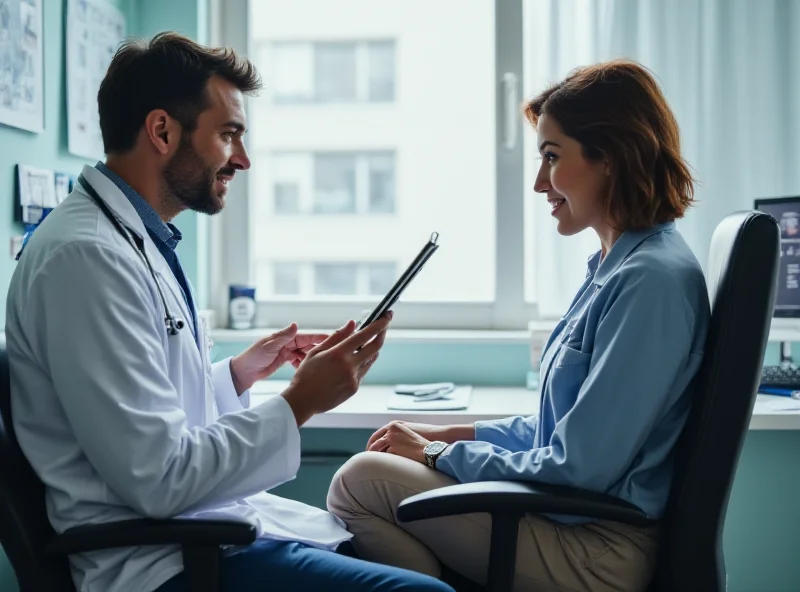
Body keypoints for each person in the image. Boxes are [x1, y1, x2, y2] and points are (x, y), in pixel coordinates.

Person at [5, 32, 454, 592]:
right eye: (228, 135)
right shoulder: (88, 258)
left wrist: (235, 376)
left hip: (200, 536)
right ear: (163, 130)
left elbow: (145, 414)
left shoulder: (134, 239)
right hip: (164, 564)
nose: (241, 159)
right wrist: (300, 401)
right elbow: (160, 478)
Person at [327, 59, 711, 592]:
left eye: (551, 157)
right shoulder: (617, 265)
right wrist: (448, 434)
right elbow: (560, 430)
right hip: (573, 524)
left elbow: (579, 466)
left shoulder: (651, 282)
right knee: (373, 469)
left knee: (360, 483)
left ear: (611, 158)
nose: (538, 183)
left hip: (599, 549)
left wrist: (439, 455)